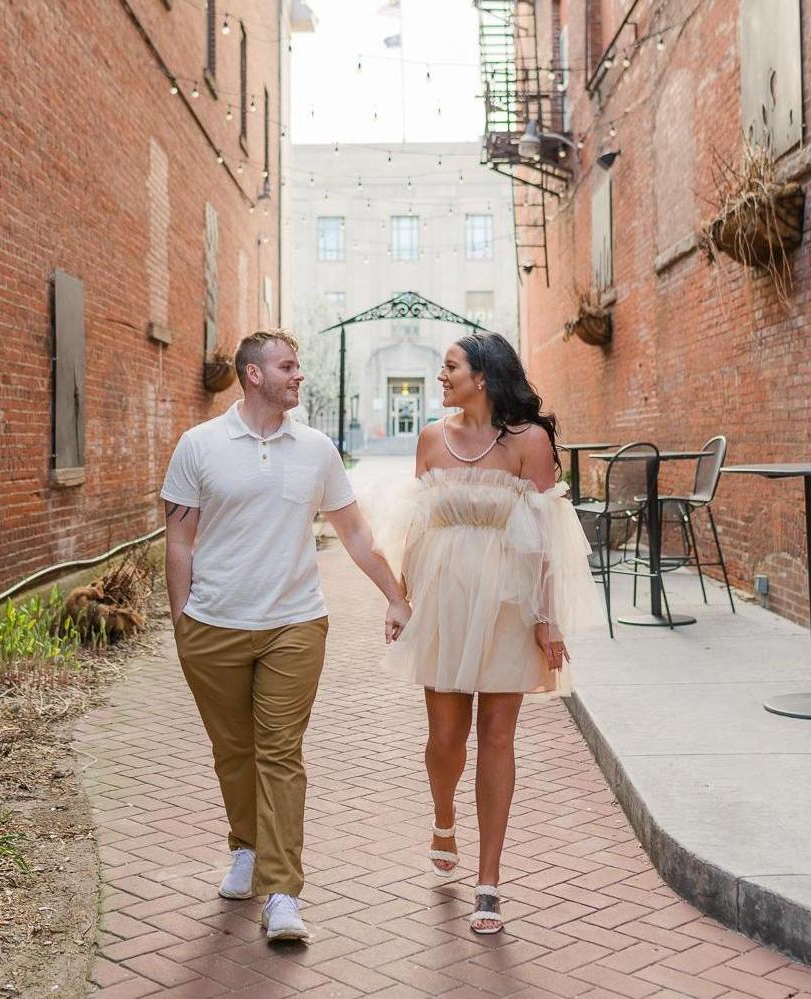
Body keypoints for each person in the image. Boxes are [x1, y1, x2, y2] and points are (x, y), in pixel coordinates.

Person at [161, 328, 411, 943]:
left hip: (295, 624)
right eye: (288, 367)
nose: (299, 376)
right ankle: (246, 848)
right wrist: (182, 621)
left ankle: (281, 893)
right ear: (254, 375)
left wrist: (396, 595)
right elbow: (179, 539)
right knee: (233, 749)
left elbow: (356, 535)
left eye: (298, 367)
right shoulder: (199, 445)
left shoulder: (317, 449)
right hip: (213, 625)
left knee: (279, 753)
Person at [380, 332, 595, 934]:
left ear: (483, 376)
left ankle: (489, 881)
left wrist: (548, 618)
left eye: (450, 367)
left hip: (508, 605)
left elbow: (549, 537)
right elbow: (415, 527)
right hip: (445, 604)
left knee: (498, 737)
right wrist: (401, 600)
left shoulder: (529, 442)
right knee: (446, 739)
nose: (441, 376)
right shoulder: (431, 439)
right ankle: (443, 817)